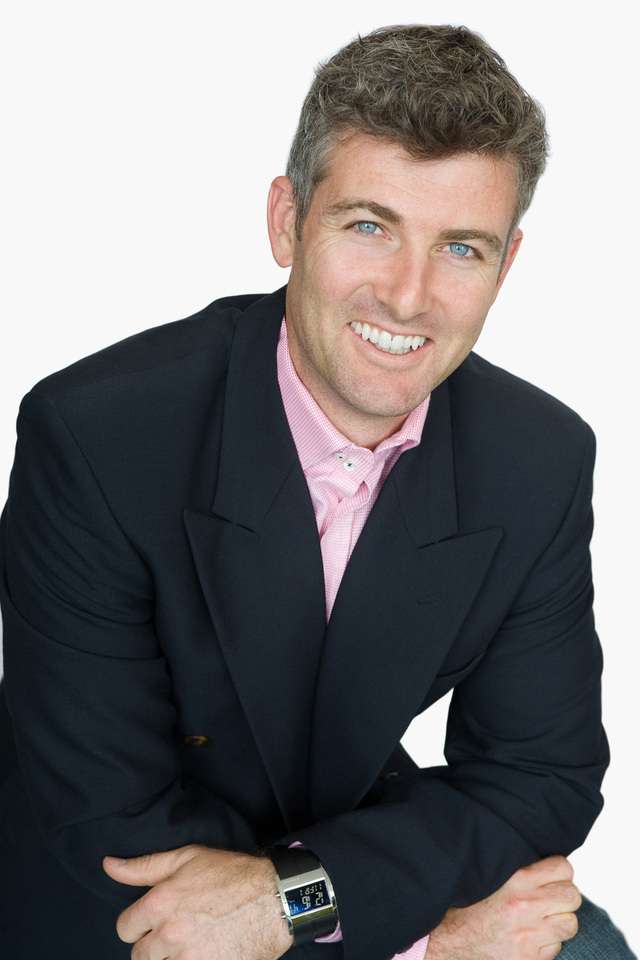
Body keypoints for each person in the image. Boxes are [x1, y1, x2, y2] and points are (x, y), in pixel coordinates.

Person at [0, 21, 635, 960]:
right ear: (287, 221)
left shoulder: (536, 455)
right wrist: (428, 945)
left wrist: (299, 900)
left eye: (461, 248)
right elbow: (110, 825)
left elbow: (542, 773)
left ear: (507, 266)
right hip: (114, 900)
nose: (410, 296)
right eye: (370, 226)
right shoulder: (96, 435)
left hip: (350, 859)